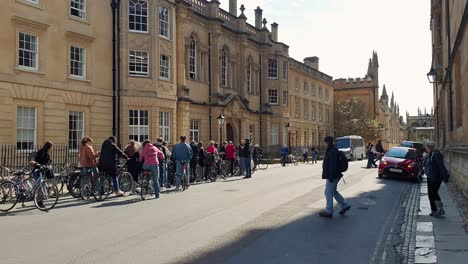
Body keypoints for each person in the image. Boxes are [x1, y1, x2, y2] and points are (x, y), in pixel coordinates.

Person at [319, 136, 351, 218]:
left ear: (328, 142)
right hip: (334, 175)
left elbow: (333, 165)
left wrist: (331, 177)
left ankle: (329, 210)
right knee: (333, 192)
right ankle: (344, 205)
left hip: (333, 175)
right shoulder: (332, 150)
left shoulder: (332, 151)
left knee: (328, 192)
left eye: (325, 142)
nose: (324, 144)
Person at [421, 141, 450, 217]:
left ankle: (440, 210)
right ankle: (434, 210)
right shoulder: (429, 154)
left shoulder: (436, 154)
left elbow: (441, 166)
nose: (425, 148)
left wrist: (445, 177)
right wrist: (421, 171)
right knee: (430, 194)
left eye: (426, 147)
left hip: (436, 177)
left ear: (429, 147)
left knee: (434, 193)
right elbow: (425, 163)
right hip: (430, 177)